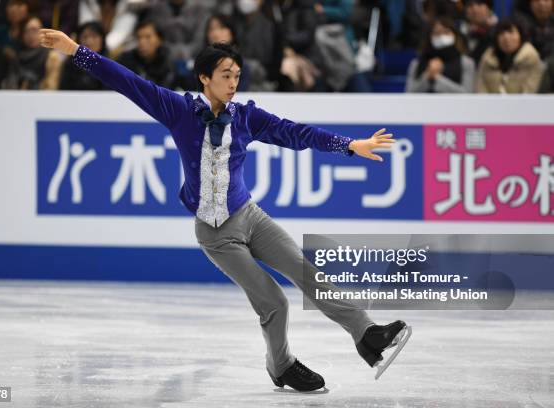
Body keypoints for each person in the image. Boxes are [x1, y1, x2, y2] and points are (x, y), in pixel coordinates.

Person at [39, 27, 411, 392]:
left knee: (305, 272)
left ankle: (367, 335)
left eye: (236, 75)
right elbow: (127, 81)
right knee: (274, 301)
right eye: (225, 75)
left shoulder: (246, 116)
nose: (233, 82)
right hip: (216, 234)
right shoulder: (179, 110)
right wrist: (76, 50)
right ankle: (280, 366)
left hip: (250, 215)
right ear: (205, 77)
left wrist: (349, 145)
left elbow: (296, 133)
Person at [406, 18, 475, 93]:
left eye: (446, 32)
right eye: (437, 33)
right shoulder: (416, 63)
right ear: (430, 37)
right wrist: (427, 75)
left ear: (455, 35)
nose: (441, 36)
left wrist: (437, 78)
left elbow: (467, 94)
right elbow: (409, 93)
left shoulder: (466, 62)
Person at [476, 19, 543, 93]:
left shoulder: (531, 58)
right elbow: (481, 88)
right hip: (489, 104)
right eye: (501, 33)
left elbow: (531, 90)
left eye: (511, 32)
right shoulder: (487, 59)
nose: (506, 37)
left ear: (521, 35)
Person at [116, 19, 176, 89]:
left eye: (148, 37)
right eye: (139, 37)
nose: (142, 42)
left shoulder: (167, 60)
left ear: (159, 40)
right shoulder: (126, 59)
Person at [59, 21, 108, 90]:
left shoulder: (109, 63)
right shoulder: (70, 64)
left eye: (94, 36)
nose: (89, 42)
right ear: (78, 40)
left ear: (102, 39)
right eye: (85, 37)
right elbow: (64, 90)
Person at [460, 0, 498, 65]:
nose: (475, 9)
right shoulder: (458, 31)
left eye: (479, 4)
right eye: (470, 5)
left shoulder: (500, 31)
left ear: (489, 8)